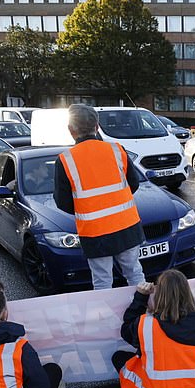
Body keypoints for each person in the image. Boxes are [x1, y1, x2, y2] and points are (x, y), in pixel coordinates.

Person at [53, 104, 146, 290]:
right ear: (97, 127)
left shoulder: (65, 160)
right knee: (135, 273)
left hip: (95, 232)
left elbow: (62, 202)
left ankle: (106, 318)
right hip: (126, 225)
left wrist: (88, 207)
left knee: (102, 281)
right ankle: (143, 314)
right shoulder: (116, 150)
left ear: (71, 131)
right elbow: (133, 184)